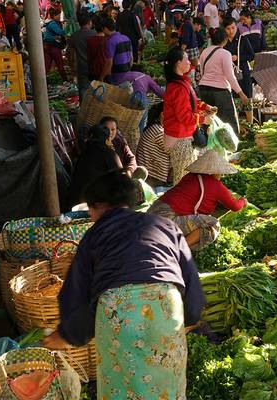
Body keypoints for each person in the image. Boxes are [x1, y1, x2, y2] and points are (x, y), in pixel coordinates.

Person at [43, 169, 204, 400]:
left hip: (118, 309)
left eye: (89, 209)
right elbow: (189, 274)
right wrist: (190, 314)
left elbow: (76, 291)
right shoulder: (164, 226)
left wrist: (68, 334)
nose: (90, 216)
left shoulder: (95, 234)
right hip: (166, 304)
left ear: (97, 205)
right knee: (166, 379)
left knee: (121, 384)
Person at [149, 150, 245, 250]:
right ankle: (179, 249)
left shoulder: (189, 176)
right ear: (219, 171)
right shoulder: (217, 186)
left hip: (153, 210)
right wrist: (243, 201)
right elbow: (235, 206)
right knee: (213, 224)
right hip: (166, 219)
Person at [164, 47, 215, 184]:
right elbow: (184, 117)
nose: (189, 63)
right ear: (178, 63)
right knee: (183, 181)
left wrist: (205, 107)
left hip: (182, 136)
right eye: (186, 59)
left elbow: (192, 101)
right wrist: (204, 119)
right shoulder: (177, 87)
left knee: (186, 178)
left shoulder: (181, 82)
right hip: (179, 138)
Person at [198, 29, 249, 139]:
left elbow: (202, 72)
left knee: (210, 120)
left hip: (204, 89)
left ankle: (210, 146)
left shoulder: (204, 52)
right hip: (220, 91)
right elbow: (230, 76)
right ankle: (232, 146)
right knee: (228, 121)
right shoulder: (225, 54)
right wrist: (241, 93)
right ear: (225, 40)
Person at [68, 125, 123, 206]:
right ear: (107, 140)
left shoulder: (83, 153)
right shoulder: (109, 154)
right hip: (94, 203)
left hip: (74, 202)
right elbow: (122, 178)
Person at [136, 103, 172, 184]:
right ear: (163, 114)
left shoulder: (155, 127)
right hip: (152, 176)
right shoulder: (157, 130)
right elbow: (174, 150)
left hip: (152, 175)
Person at [224, 16, 255, 99]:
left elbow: (252, 56)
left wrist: (238, 57)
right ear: (224, 29)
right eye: (228, 29)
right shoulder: (223, 42)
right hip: (228, 75)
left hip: (243, 73)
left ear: (236, 27)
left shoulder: (243, 39)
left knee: (247, 98)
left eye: (233, 28)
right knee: (233, 99)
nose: (231, 31)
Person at [70, 12, 96, 102]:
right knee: (96, 89)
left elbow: (72, 56)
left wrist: (72, 69)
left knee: (83, 90)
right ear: (89, 22)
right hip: (94, 67)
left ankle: (83, 111)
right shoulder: (94, 34)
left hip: (81, 67)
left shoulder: (74, 36)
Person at [103, 18, 134, 82]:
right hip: (128, 73)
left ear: (105, 28)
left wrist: (102, 77)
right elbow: (131, 58)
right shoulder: (127, 38)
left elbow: (109, 63)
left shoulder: (110, 42)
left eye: (103, 29)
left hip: (117, 76)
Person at [42, 8, 69, 81]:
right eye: (58, 15)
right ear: (54, 16)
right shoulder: (52, 23)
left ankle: (43, 82)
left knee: (46, 66)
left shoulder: (46, 23)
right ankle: (65, 80)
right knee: (60, 64)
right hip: (53, 47)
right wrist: (67, 29)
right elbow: (60, 32)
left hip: (46, 46)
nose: (59, 17)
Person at [88, 13, 110, 83]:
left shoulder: (90, 40)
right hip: (107, 70)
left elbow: (89, 58)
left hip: (94, 71)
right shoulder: (109, 40)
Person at [178, 10, 200, 77]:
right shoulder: (188, 23)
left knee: (195, 66)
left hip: (190, 49)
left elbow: (186, 39)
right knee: (194, 67)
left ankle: (197, 80)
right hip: (192, 48)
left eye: (179, 15)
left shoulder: (186, 24)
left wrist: (182, 50)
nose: (177, 16)